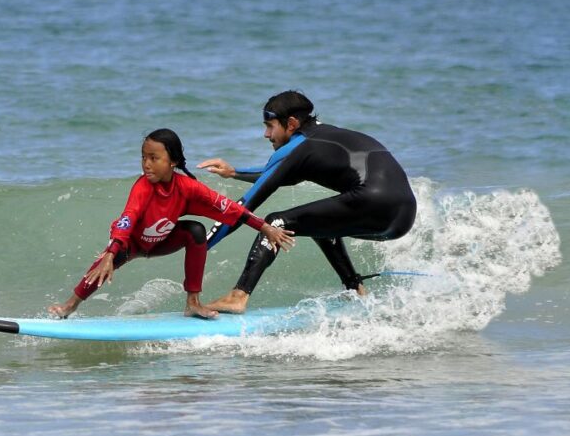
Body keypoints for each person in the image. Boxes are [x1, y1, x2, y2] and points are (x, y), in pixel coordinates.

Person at [197, 90, 416, 314]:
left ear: (291, 124)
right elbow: (279, 173)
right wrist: (235, 173)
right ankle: (356, 289)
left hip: (373, 202)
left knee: (275, 223)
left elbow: (242, 209)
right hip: (403, 216)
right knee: (321, 225)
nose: (266, 134)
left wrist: (200, 246)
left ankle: (238, 297)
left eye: (270, 126)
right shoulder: (323, 136)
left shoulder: (298, 147)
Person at [48, 128, 295, 319]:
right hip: (132, 243)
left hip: (163, 241)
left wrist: (265, 227)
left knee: (195, 231)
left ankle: (193, 303)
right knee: (104, 263)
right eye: (144, 157)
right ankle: (70, 305)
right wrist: (112, 252)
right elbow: (128, 217)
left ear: (172, 161)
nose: (146, 164)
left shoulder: (187, 188)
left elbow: (229, 207)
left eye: (154, 158)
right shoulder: (143, 187)